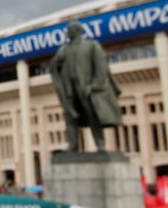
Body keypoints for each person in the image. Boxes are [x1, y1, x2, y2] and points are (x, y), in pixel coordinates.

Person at [49, 21, 122, 151]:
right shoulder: (64, 49)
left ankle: (100, 144)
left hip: (86, 88)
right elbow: (54, 65)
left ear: (77, 31)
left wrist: (95, 85)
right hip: (70, 89)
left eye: (70, 30)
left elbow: (101, 67)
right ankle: (73, 145)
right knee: (70, 117)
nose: (67, 33)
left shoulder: (91, 45)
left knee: (93, 115)